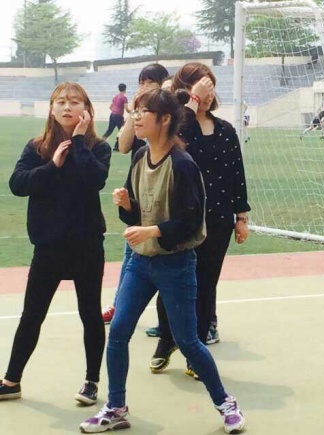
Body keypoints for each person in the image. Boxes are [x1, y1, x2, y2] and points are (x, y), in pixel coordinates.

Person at [79, 86, 245, 434]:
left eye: (143, 111)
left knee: (188, 341)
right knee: (119, 332)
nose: (135, 117)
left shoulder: (182, 164)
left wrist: (152, 230)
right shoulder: (141, 156)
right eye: (134, 111)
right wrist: (127, 206)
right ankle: (116, 407)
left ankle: (225, 403)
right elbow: (137, 215)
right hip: (140, 263)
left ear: (165, 119)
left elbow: (191, 220)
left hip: (175, 264)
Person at [0, 83, 111, 405]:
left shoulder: (98, 147)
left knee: (90, 314)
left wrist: (78, 142)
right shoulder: (37, 147)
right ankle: (11, 380)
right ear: (51, 108)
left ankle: (91, 381)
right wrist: (52, 166)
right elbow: (17, 184)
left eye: (74, 102)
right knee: (32, 314)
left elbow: (96, 179)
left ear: (86, 109)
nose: (67, 107)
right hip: (48, 247)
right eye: (60, 102)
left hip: (86, 246)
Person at [149, 62, 250, 376]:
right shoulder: (177, 126)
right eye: (199, 87)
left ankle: (196, 351)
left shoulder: (226, 130)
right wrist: (190, 102)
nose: (206, 93)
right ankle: (167, 339)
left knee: (206, 285)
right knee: (171, 283)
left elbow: (236, 174)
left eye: (210, 87)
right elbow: (175, 138)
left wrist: (241, 216)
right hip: (181, 218)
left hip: (217, 220)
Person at [101, 63, 170, 327]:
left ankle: (169, 321)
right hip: (138, 189)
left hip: (162, 189)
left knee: (167, 254)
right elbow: (123, 145)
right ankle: (120, 306)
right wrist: (134, 110)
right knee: (132, 249)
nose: (144, 87)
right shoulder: (139, 115)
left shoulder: (165, 115)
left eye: (150, 82)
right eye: (141, 82)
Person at [103, 83, 129, 150]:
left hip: (112, 115)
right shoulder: (124, 98)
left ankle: (100, 142)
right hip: (119, 116)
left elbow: (110, 107)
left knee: (109, 130)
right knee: (121, 131)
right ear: (125, 89)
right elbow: (126, 109)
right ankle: (117, 146)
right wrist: (132, 112)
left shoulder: (115, 96)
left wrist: (114, 111)